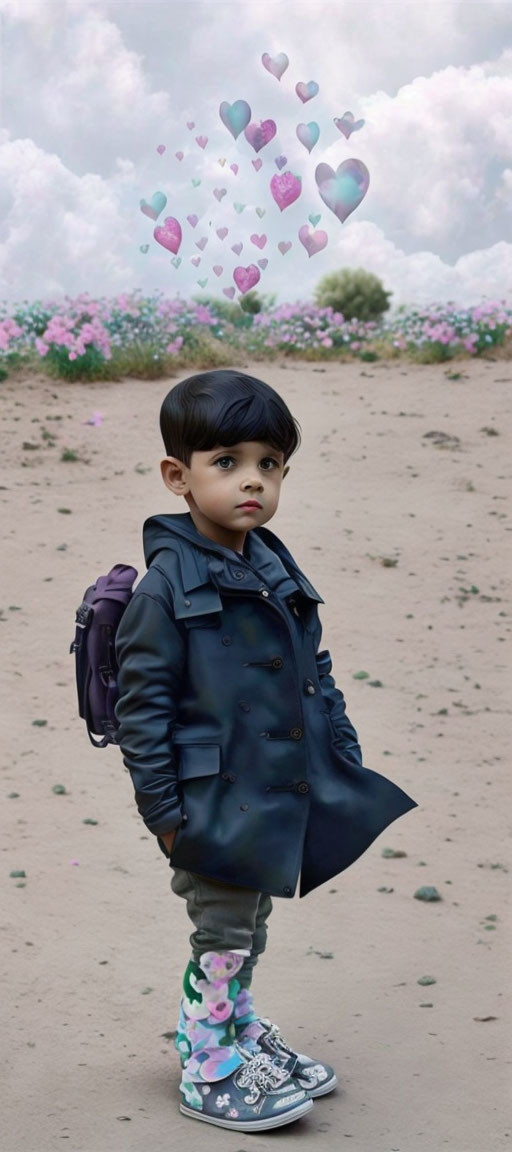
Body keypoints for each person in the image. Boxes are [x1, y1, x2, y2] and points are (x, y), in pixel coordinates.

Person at [114, 369, 418, 1132]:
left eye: (269, 464)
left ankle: (238, 1029)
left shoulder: (270, 564)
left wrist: (339, 749)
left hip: (273, 787)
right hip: (209, 799)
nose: (252, 481)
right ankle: (206, 1061)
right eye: (227, 463)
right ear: (177, 477)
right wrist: (163, 813)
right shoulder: (164, 589)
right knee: (220, 928)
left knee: (250, 922)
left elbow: (313, 665)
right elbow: (141, 709)